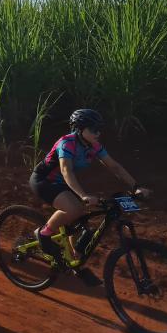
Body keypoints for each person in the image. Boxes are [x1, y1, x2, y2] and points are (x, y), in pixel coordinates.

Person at [31, 108, 149, 283]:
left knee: (80, 222)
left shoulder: (93, 146)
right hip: (44, 181)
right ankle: (44, 234)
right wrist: (83, 195)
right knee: (74, 208)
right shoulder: (67, 143)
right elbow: (66, 170)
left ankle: (75, 261)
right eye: (93, 129)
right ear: (80, 129)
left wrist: (136, 187)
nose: (98, 133)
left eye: (99, 129)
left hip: (64, 183)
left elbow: (114, 166)